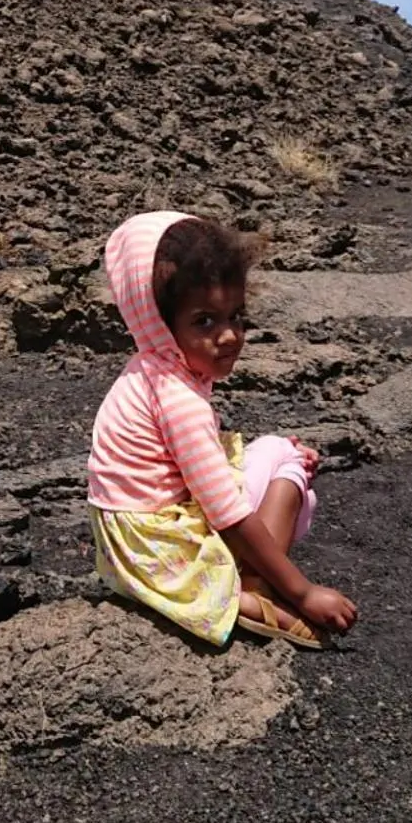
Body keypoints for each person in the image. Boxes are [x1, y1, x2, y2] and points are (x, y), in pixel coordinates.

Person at [87, 209, 359, 649]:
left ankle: (249, 578)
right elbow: (226, 513)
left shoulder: (151, 369)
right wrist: (305, 592)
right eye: (205, 322)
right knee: (286, 470)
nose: (229, 336)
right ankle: (253, 588)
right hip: (164, 551)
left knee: (281, 456)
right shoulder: (177, 397)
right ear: (158, 320)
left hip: (131, 551)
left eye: (236, 316)